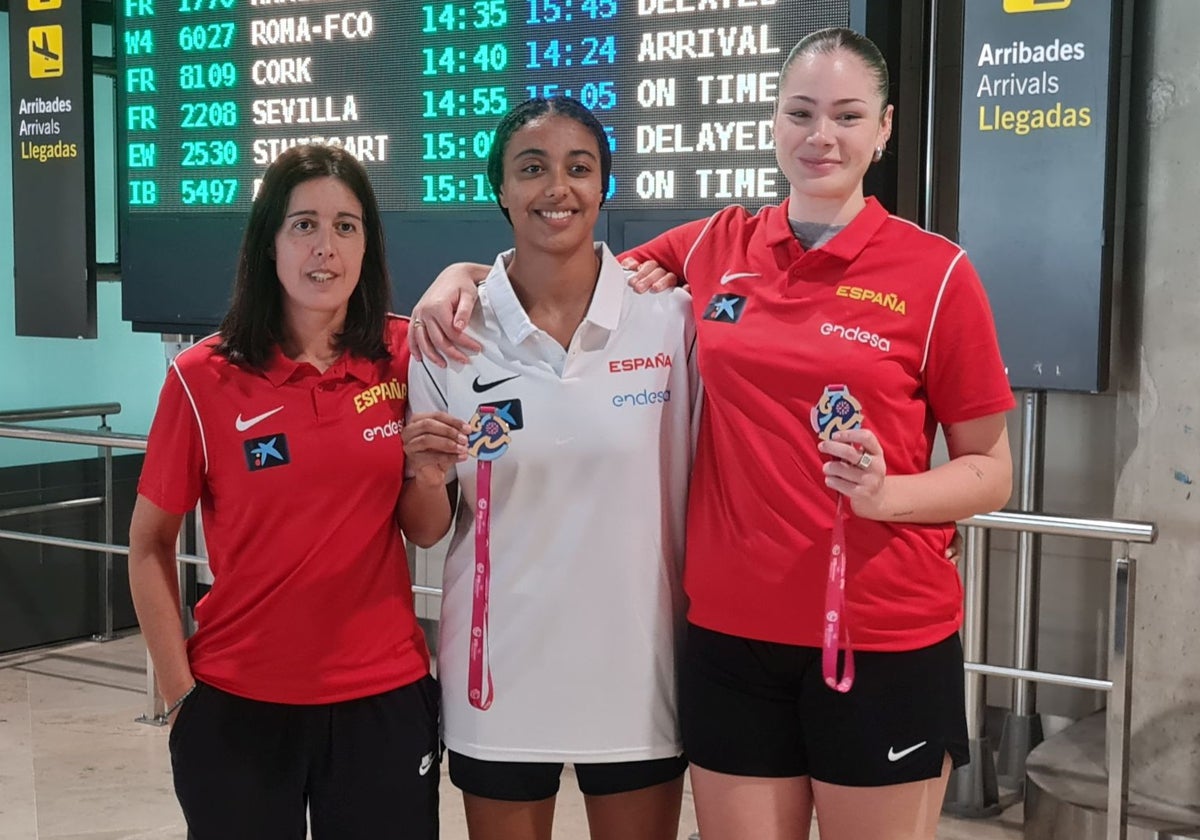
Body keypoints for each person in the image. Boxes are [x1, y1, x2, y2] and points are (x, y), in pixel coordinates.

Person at [407, 27, 1015, 840]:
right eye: (801, 112)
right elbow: (562, 253)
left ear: (886, 128)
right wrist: (458, 279)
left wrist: (887, 493)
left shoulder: (937, 273)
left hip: (877, 632)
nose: (820, 135)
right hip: (731, 641)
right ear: (774, 123)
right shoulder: (717, 246)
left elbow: (991, 472)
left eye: (846, 115)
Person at [398, 96, 697, 840]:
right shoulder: (448, 334)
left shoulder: (671, 321)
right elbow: (428, 529)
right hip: (498, 676)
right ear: (500, 187)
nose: (556, 188)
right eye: (532, 168)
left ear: (604, 187)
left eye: (578, 168)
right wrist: (427, 476)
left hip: (640, 671)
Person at [128, 144, 439, 840]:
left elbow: (425, 529)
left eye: (346, 226)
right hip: (238, 704)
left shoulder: (406, 355)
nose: (325, 247)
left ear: (367, 246)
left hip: (382, 697)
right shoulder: (201, 378)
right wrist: (181, 695)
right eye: (304, 224)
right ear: (269, 243)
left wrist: (425, 471)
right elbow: (148, 545)